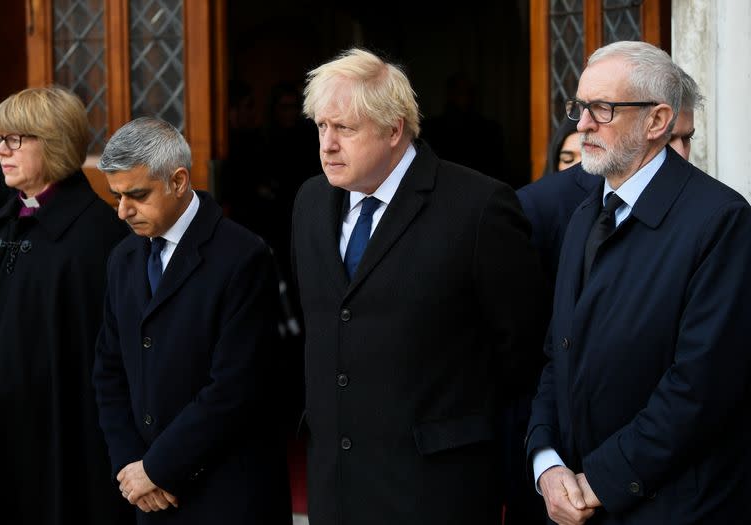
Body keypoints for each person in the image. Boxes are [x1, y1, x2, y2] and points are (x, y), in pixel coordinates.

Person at [291, 48, 549, 525]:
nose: (327, 144)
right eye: (321, 126)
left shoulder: (478, 207)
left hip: (436, 489)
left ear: (394, 130)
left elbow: (521, 348)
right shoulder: (310, 201)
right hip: (335, 487)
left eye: (344, 128)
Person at [526, 41, 751, 525]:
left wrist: (600, 482)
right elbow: (555, 355)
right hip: (579, 500)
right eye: (579, 106)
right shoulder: (585, 214)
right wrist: (546, 463)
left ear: (657, 121)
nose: (582, 123)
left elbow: (699, 389)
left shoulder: (721, 221)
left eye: (602, 109)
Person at [92, 117, 292, 524]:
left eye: (136, 195)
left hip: (226, 494)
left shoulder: (243, 256)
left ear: (179, 181)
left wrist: (158, 468)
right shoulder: (122, 258)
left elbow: (236, 387)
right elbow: (109, 371)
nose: (123, 212)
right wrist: (133, 468)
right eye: (116, 197)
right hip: (148, 495)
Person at [0, 86, 131, 524]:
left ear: (53, 143)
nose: (0, 150)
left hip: (52, 439)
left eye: (15, 140)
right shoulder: (7, 219)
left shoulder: (94, 237)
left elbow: (98, 358)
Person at [517, 64, 704, 284]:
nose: (681, 154)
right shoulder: (541, 203)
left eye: (686, 138)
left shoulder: (714, 214)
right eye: (669, 138)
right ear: (654, 123)